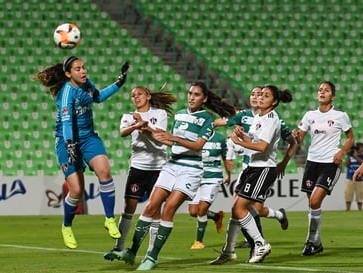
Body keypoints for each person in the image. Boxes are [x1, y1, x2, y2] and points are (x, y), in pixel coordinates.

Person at [112, 81, 236, 270]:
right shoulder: (179, 114)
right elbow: (169, 142)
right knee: (151, 207)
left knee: (168, 210)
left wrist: (174, 138)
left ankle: (152, 257)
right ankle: (132, 250)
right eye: (190, 93)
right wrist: (151, 132)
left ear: (204, 99)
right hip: (171, 166)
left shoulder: (207, 119)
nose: (191, 97)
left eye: (196, 95)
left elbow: (197, 146)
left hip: (191, 171)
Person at [32, 56, 129, 249]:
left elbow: (99, 97)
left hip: (88, 138)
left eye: (84, 67)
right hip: (66, 140)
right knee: (76, 190)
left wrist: (119, 83)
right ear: (68, 74)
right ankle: (67, 226)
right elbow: (67, 123)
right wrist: (69, 145)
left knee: (105, 171)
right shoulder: (67, 93)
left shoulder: (87, 84)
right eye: (78, 69)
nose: (83, 71)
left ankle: (109, 218)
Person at [210, 85, 293, 264]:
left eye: (266, 95)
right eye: (260, 94)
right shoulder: (258, 117)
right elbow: (253, 141)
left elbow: (262, 147)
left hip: (263, 168)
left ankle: (260, 243)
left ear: (275, 101)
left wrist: (236, 141)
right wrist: (241, 137)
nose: (261, 97)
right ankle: (229, 251)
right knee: (236, 209)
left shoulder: (272, 119)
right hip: (253, 167)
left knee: (241, 208)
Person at [103, 86, 177, 260]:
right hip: (137, 167)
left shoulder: (159, 114)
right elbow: (123, 132)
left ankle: (151, 252)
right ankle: (118, 247)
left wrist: (145, 125)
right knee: (129, 207)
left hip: (158, 167)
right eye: (133, 95)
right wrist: (136, 124)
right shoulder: (129, 116)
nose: (136, 97)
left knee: (155, 209)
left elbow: (160, 135)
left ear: (148, 96)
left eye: (139, 94)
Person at [292, 81, 354, 256]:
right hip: (312, 162)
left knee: (314, 201)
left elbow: (350, 138)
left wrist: (341, 152)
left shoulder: (340, 115)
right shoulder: (309, 115)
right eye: (320, 90)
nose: (322, 92)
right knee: (312, 204)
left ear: (332, 96)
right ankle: (317, 243)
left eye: (326, 90)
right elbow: (300, 139)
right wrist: (296, 136)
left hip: (330, 163)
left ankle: (311, 240)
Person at [188, 129, 228, 250]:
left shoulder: (220, 138)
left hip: (213, 178)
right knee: (193, 212)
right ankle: (216, 217)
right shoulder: (193, 137)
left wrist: (229, 174)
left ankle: (199, 241)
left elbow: (226, 157)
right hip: (196, 177)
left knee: (202, 210)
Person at [344, 143, 363, 210]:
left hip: (360, 179)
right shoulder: (351, 155)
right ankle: (347, 209)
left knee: (360, 196)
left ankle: (360, 209)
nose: (360, 148)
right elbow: (347, 164)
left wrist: (355, 157)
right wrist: (349, 155)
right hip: (350, 178)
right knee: (348, 194)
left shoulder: (361, 156)